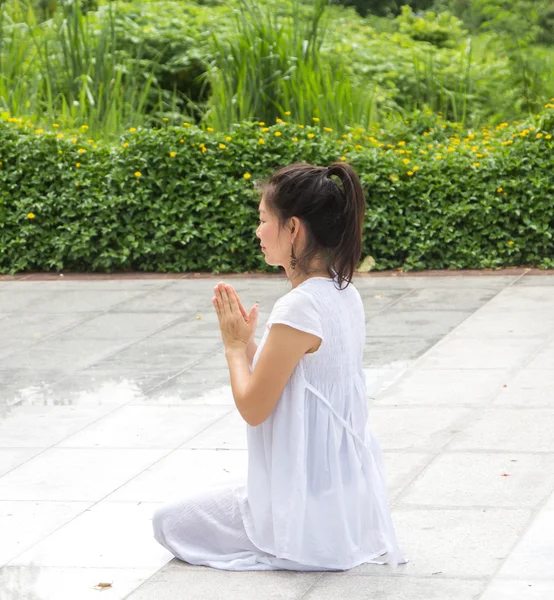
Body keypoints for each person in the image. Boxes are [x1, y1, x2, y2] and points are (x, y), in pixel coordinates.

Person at [152, 161, 406, 571]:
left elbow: (254, 407)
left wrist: (235, 349)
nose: (257, 231)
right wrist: (255, 344)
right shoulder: (343, 293)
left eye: (263, 219)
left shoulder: (300, 306)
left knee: (168, 522)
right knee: (220, 501)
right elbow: (302, 382)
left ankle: (283, 539)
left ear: (293, 228)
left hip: (306, 508)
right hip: (346, 499)